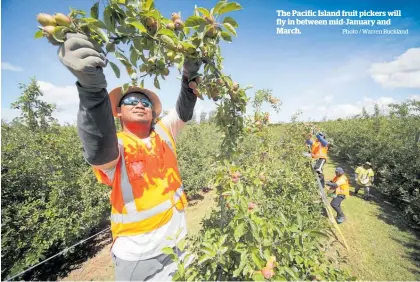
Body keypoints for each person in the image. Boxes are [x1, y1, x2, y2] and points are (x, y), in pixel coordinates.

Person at [52, 33, 202, 280]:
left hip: (179, 241)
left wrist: (189, 77)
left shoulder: (164, 132)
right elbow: (98, 146)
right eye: (130, 100)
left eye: (145, 102)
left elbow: (183, 111)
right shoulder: (117, 145)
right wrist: (91, 90)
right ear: (118, 113)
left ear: (153, 113)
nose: (139, 104)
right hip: (140, 257)